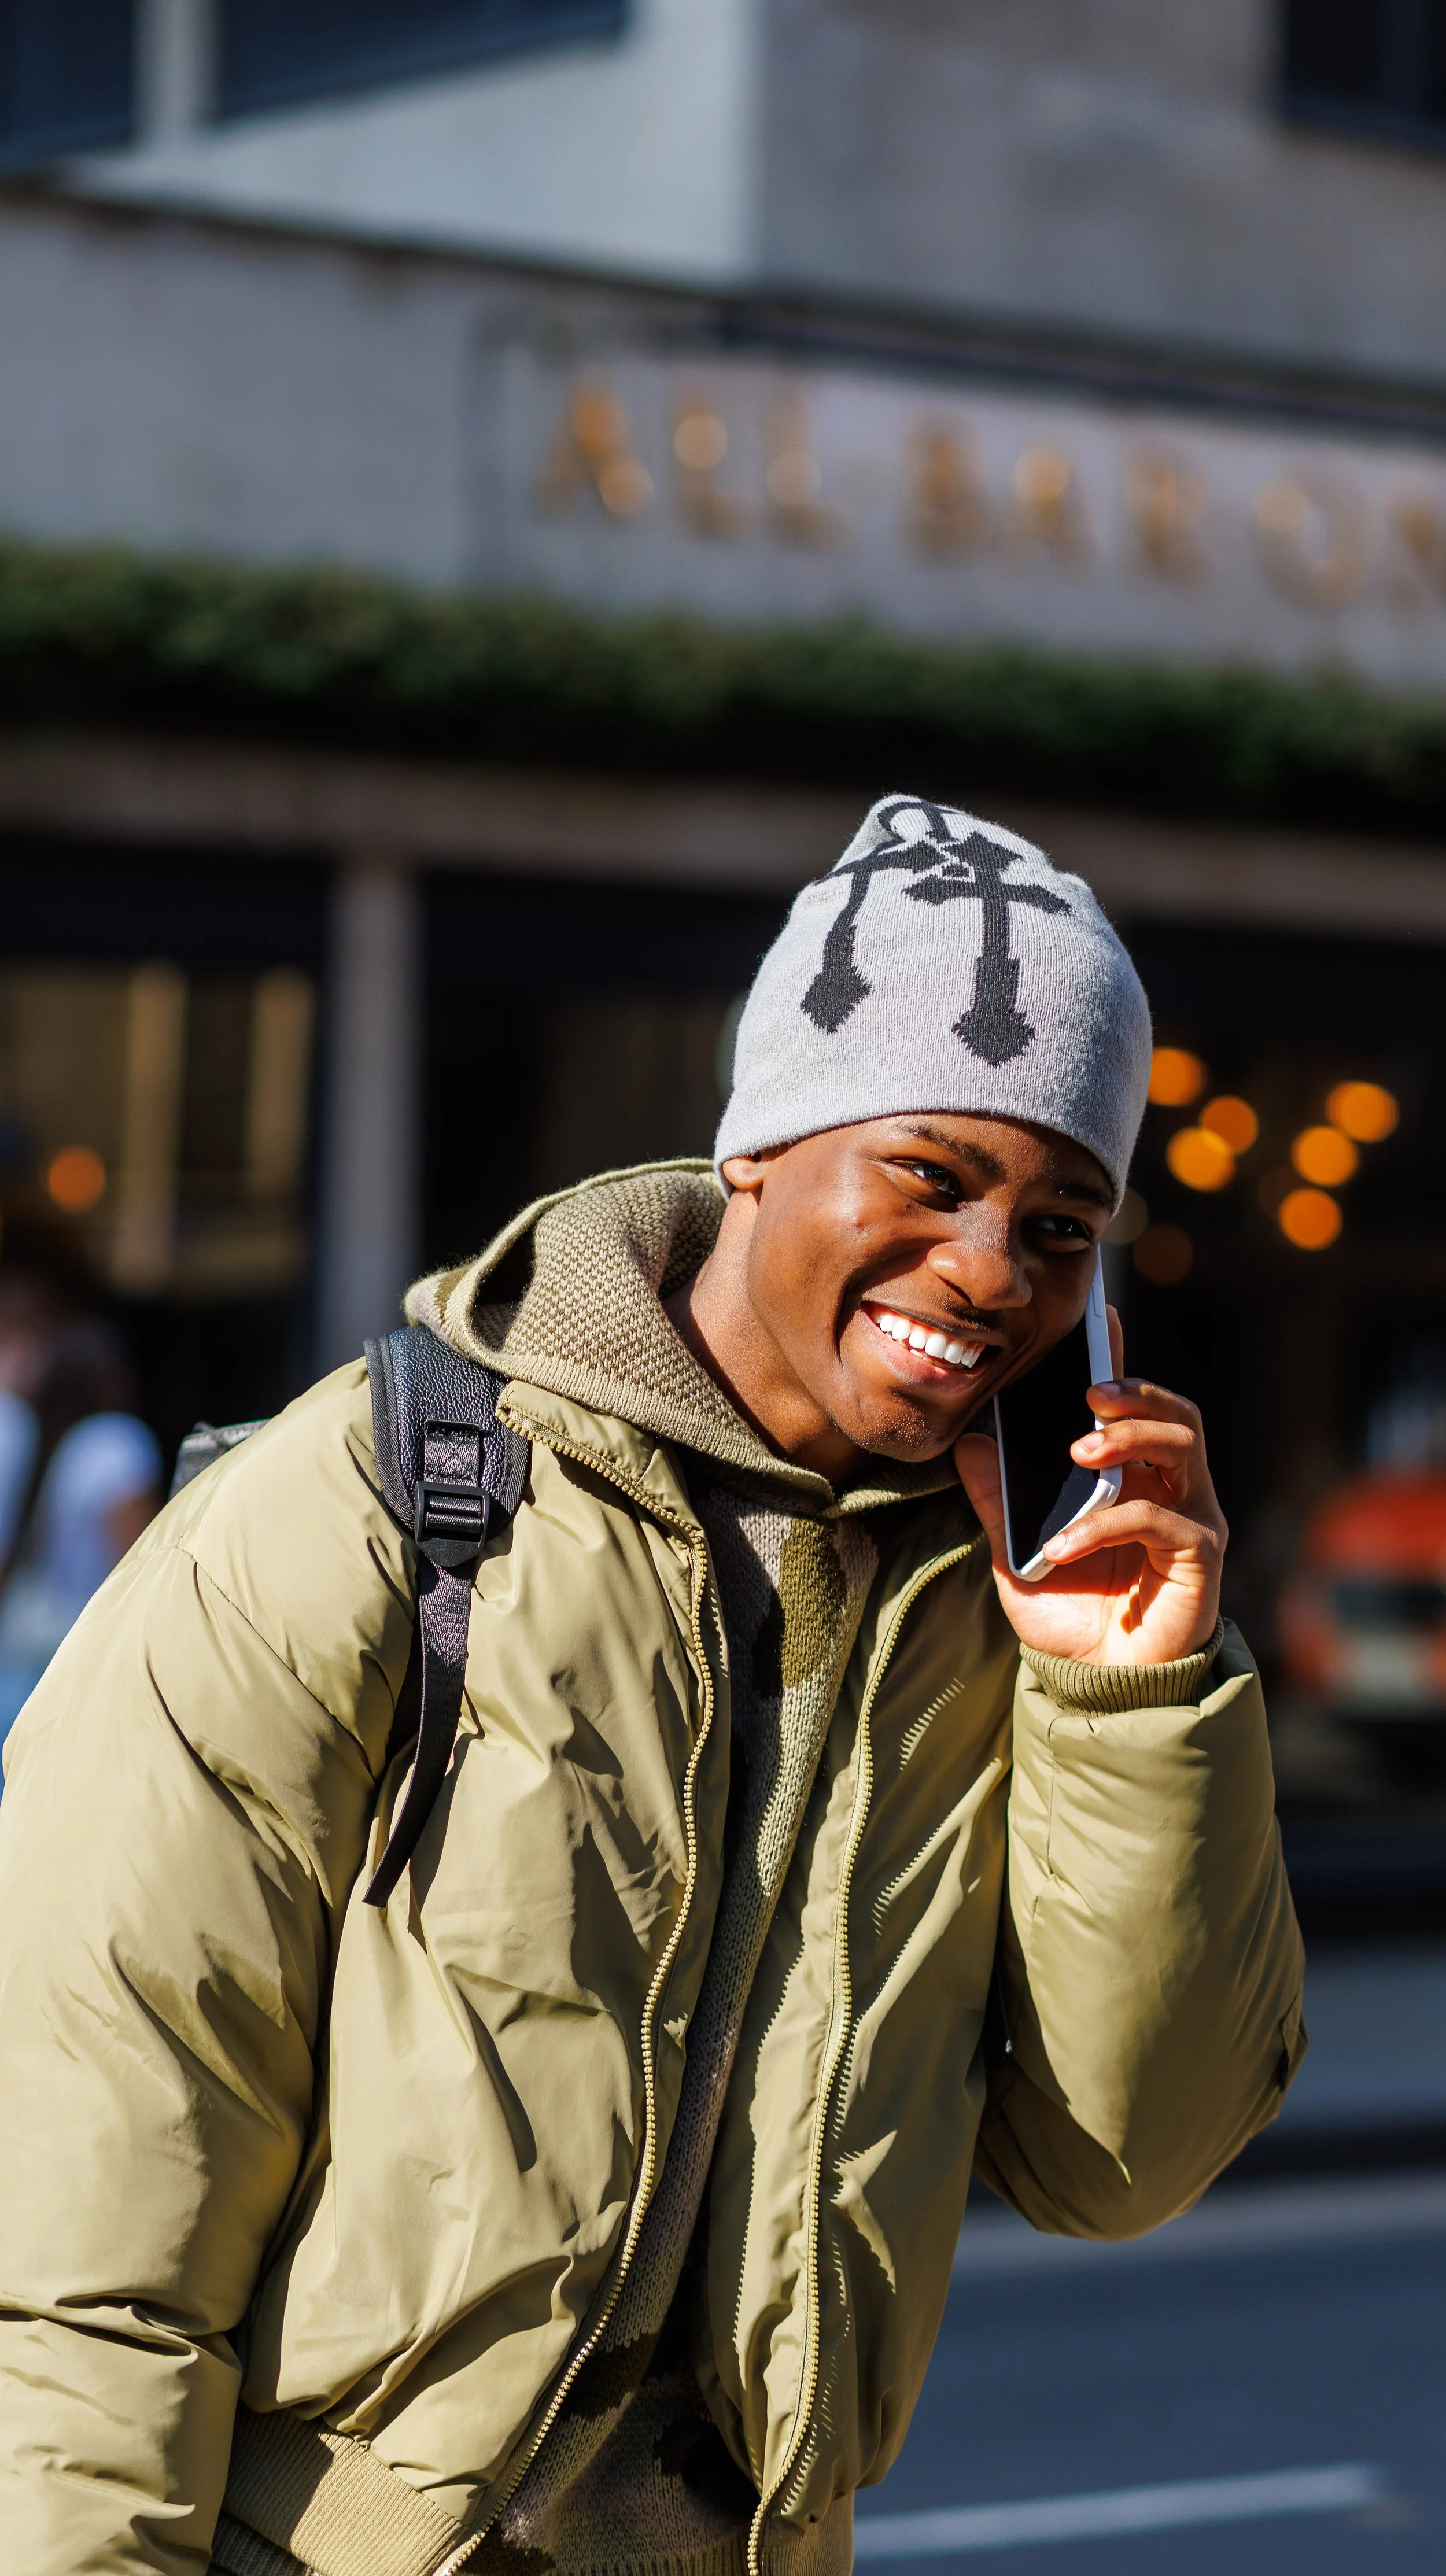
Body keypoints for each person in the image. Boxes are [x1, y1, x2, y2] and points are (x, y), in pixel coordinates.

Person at [0, 795, 1305, 2576]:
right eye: (930, 1173)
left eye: (1062, 1223)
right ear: (761, 1146)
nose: (992, 1270)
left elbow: (1121, 2164)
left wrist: (1131, 1702)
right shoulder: (366, 1510)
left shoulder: (1005, 1599)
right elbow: (77, 2214)